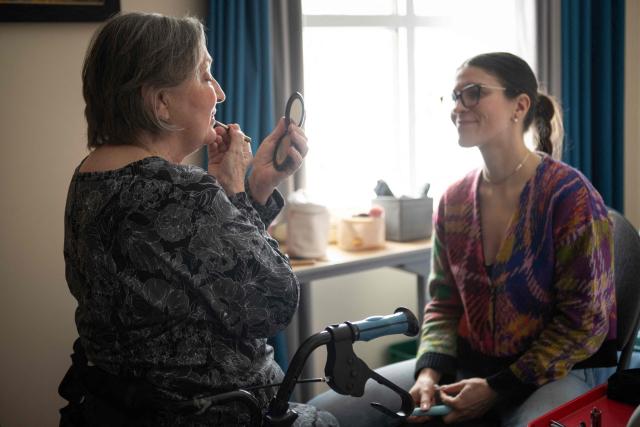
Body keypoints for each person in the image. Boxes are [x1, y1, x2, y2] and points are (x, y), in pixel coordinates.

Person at [58, 12, 337, 427]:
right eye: (205, 76)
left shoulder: (89, 178)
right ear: (161, 103)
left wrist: (255, 187)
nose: (220, 94)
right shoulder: (183, 192)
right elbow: (274, 300)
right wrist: (234, 192)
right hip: (217, 413)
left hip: (114, 411)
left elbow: (212, 276)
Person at [308, 52, 616, 426]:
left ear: (519, 106)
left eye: (472, 93)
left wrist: (497, 387)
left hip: (559, 371)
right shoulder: (453, 200)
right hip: (471, 366)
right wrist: (428, 373)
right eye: (454, 97)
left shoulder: (570, 197)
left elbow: (585, 324)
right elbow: (443, 303)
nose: (458, 107)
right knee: (325, 412)